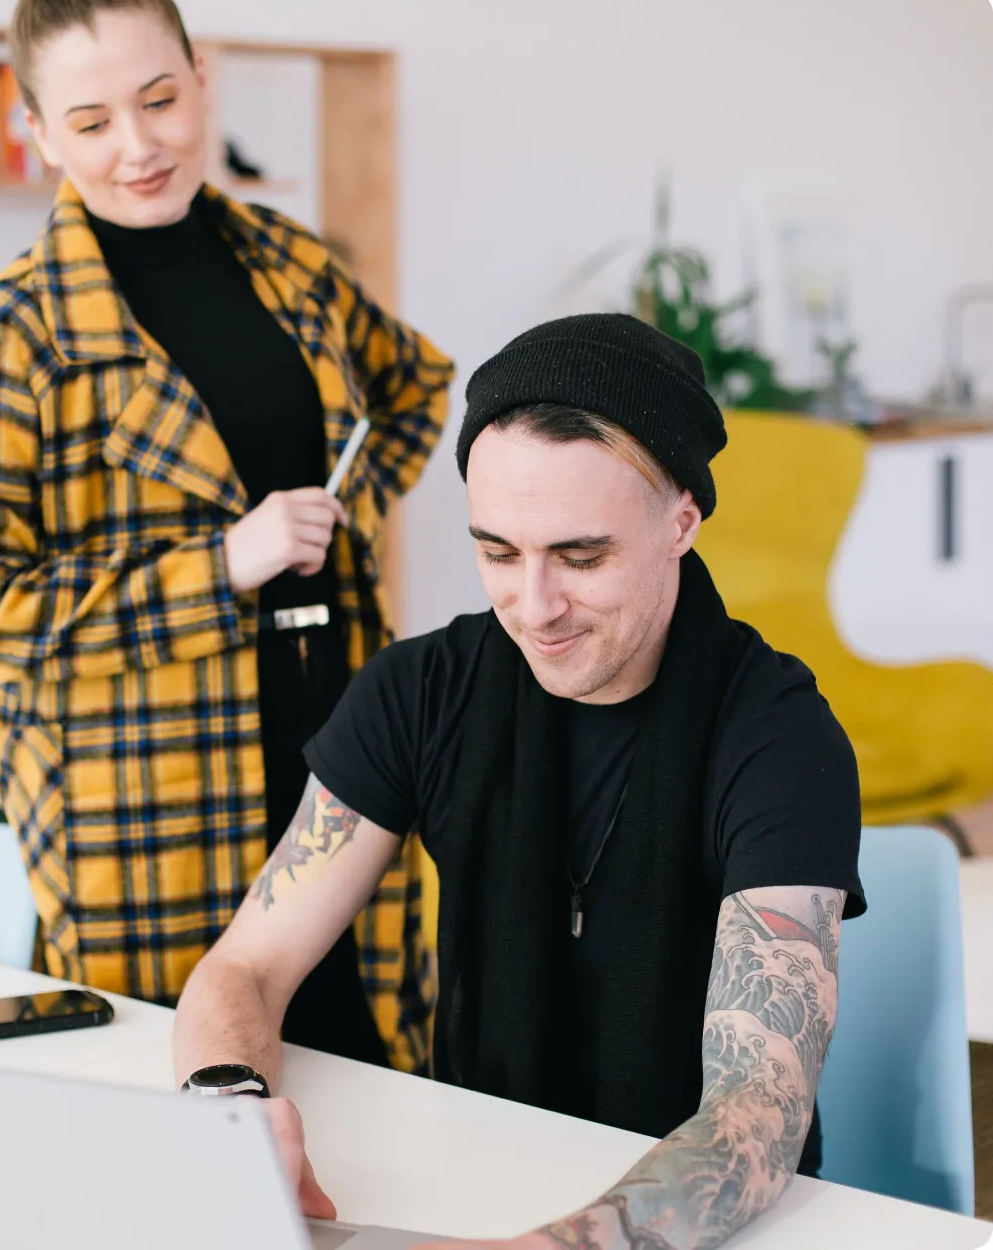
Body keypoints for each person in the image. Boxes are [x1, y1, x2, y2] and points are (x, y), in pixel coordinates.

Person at [171, 314, 866, 1250]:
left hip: (718, 1227)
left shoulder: (780, 737)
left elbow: (756, 1116)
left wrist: (557, 1246)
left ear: (682, 522)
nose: (533, 608)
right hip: (471, 1175)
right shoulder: (422, 691)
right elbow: (247, 966)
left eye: (582, 557)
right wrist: (231, 1108)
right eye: (498, 552)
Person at [0, 0, 453, 1076]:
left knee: (370, 1067)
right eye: (93, 121)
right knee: (187, 1104)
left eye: (160, 100)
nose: (139, 147)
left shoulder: (283, 259)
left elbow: (414, 388)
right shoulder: (9, 337)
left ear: (203, 81)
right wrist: (219, 569)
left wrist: (335, 532)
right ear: (38, 133)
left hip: (337, 739)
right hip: (143, 799)